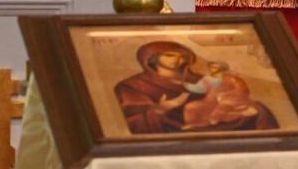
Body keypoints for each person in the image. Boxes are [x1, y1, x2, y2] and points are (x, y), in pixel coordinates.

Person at [115, 41, 277, 134]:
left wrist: (248, 106)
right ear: (151, 59)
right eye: (170, 55)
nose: (178, 60)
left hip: (222, 129)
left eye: (182, 56)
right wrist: (159, 110)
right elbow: (130, 121)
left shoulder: (203, 80)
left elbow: (235, 97)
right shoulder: (133, 86)